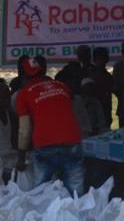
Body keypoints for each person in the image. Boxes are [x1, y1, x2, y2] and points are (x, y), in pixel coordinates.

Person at [15, 56, 84, 195]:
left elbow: (24, 129)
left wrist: (21, 156)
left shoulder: (23, 94)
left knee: (42, 192)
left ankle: (44, 215)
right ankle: (78, 213)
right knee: (75, 190)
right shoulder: (62, 86)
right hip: (72, 141)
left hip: (45, 145)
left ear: (22, 76)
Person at [88, 47, 114, 127]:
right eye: (100, 58)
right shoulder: (89, 74)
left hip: (106, 111)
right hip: (92, 113)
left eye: (104, 58)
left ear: (107, 59)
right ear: (94, 59)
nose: (102, 61)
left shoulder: (108, 76)